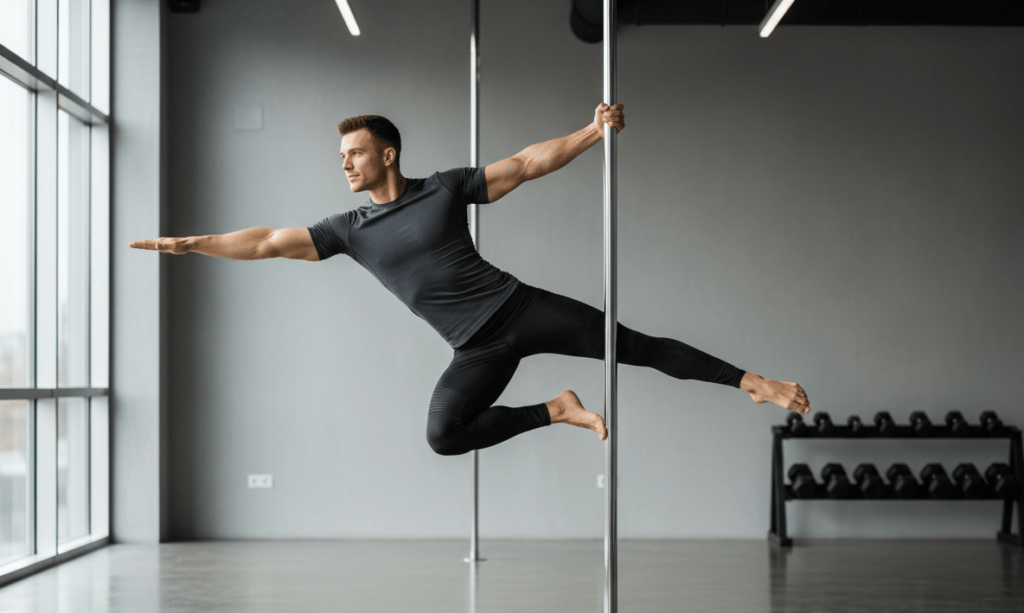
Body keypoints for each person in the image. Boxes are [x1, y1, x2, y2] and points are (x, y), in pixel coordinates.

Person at [131, 103, 810, 456]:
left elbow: (524, 164)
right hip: (475, 349)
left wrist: (591, 132)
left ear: (387, 153)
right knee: (444, 434)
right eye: (340, 156)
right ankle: (558, 410)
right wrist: (194, 243)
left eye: (355, 152)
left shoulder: (443, 189)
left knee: (633, 345)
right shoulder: (347, 229)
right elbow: (268, 242)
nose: (345, 164)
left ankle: (755, 383)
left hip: (519, 309)